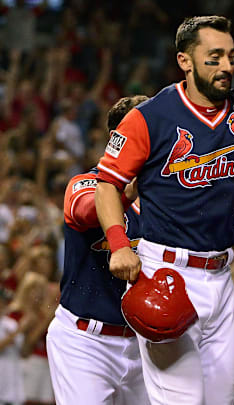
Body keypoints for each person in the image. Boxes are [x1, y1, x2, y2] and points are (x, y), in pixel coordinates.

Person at [94, 16, 234, 405]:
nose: (226, 65)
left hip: (221, 278)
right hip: (165, 273)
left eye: (231, 56)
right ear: (185, 61)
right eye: (214, 57)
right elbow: (107, 183)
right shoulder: (150, 117)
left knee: (219, 399)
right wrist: (119, 244)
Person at [46, 95, 150, 405]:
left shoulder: (166, 196)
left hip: (145, 344)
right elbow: (86, 211)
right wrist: (127, 191)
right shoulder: (86, 182)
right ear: (118, 137)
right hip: (85, 342)